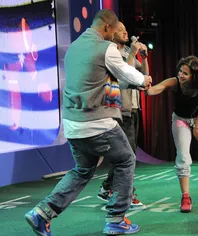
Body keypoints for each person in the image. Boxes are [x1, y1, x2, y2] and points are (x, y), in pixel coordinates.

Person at [24, 9, 152, 236]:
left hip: (73, 125)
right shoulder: (106, 48)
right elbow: (126, 73)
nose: (115, 35)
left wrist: (134, 83)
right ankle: (116, 218)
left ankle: (42, 213)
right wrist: (143, 79)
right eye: (114, 31)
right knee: (125, 160)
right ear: (106, 27)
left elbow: (98, 82)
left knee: (83, 169)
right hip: (97, 122)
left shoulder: (74, 48)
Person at [145, 55, 198, 213]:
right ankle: (185, 196)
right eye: (180, 71)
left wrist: (197, 127)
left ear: (194, 76)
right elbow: (156, 89)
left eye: (185, 73)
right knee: (183, 156)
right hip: (180, 119)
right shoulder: (175, 82)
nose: (180, 75)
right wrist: (146, 87)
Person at [97, 22, 149, 210]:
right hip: (119, 110)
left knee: (127, 154)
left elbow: (144, 77)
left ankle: (107, 187)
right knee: (127, 156)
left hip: (133, 109)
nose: (126, 32)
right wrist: (133, 54)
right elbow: (123, 77)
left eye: (127, 29)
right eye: (121, 30)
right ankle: (125, 193)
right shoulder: (111, 53)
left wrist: (143, 57)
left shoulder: (128, 51)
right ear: (111, 32)